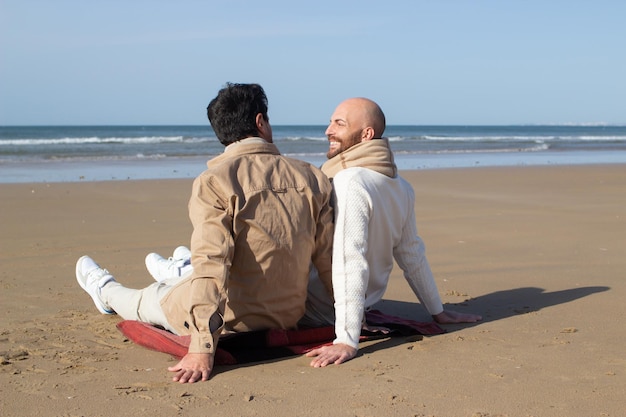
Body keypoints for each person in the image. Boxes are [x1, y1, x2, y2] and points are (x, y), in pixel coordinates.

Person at [75, 83, 334, 384]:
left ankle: (103, 290)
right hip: (287, 315)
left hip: (234, 321)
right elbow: (329, 262)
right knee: (191, 275)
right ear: (260, 122)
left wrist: (202, 348)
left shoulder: (214, 181)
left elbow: (212, 265)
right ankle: (175, 269)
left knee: (142, 300)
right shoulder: (314, 178)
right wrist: (353, 321)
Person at [304, 97, 482, 367]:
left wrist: (346, 340)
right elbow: (411, 254)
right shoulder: (401, 186)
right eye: (330, 122)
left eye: (339, 124)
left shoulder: (350, 181)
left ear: (366, 134)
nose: (328, 131)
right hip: (361, 304)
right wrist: (438, 311)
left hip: (320, 308)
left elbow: (350, 260)